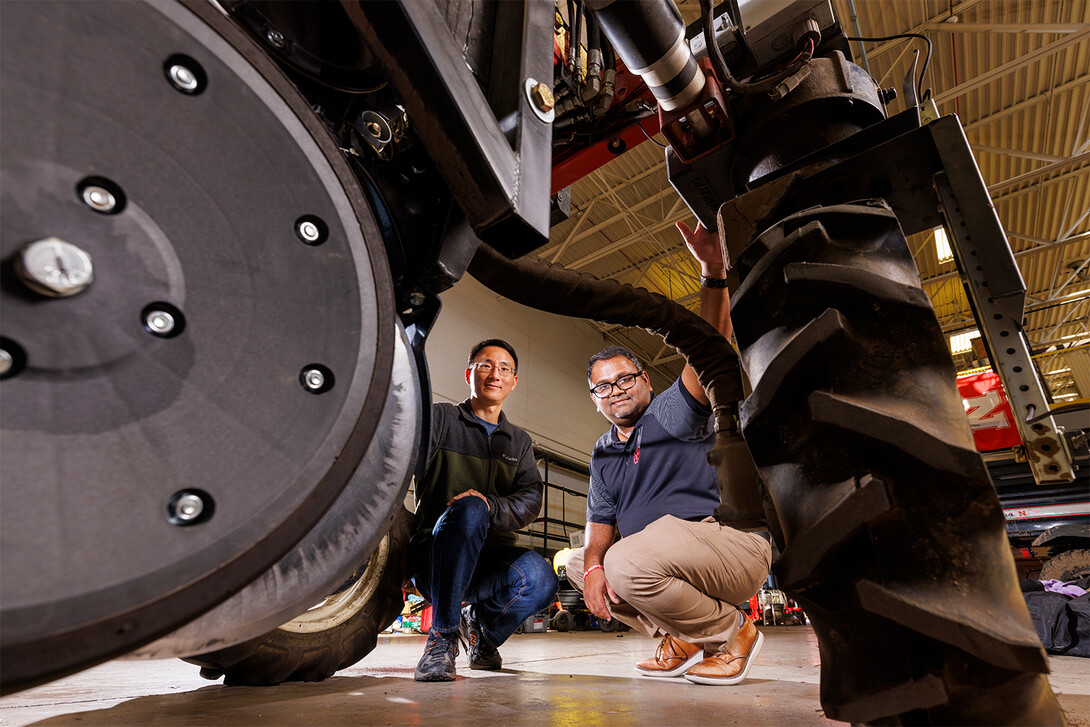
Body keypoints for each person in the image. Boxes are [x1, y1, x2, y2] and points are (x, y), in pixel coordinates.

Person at [566, 221, 772, 686]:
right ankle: (683, 636)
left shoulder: (671, 412)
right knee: (584, 564)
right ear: (595, 399)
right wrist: (596, 563)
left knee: (622, 564)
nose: (615, 390)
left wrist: (712, 271)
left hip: (727, 547)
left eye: (625, 378)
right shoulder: (602, 454)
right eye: (603, 386)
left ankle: (733, 632)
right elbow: (599, 524)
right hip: (661, 561)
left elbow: (704, 344)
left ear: (647, 381)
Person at [411, 339, 559, 682]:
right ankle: (442, 639)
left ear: (514, 381)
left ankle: (482, 634)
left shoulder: (519, 441)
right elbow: (399, 460)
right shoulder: (441, 419)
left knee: (540, 577)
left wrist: (490, 505)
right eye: (486, 365)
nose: (495, 374)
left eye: (505, 368)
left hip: (488, 565)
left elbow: (531, 499)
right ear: (469, 373)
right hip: (436, 559)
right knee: (470, 510)